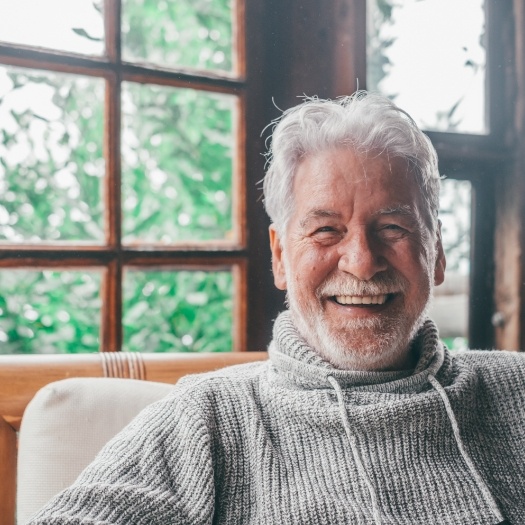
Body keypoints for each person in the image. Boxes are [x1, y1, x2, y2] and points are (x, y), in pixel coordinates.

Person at [28, 92, 523, 525]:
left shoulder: (516, 390)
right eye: (326, 229)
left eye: (393, 228)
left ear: (435, 253)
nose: (362, 262)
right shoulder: (206, 419)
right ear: (281, 256)